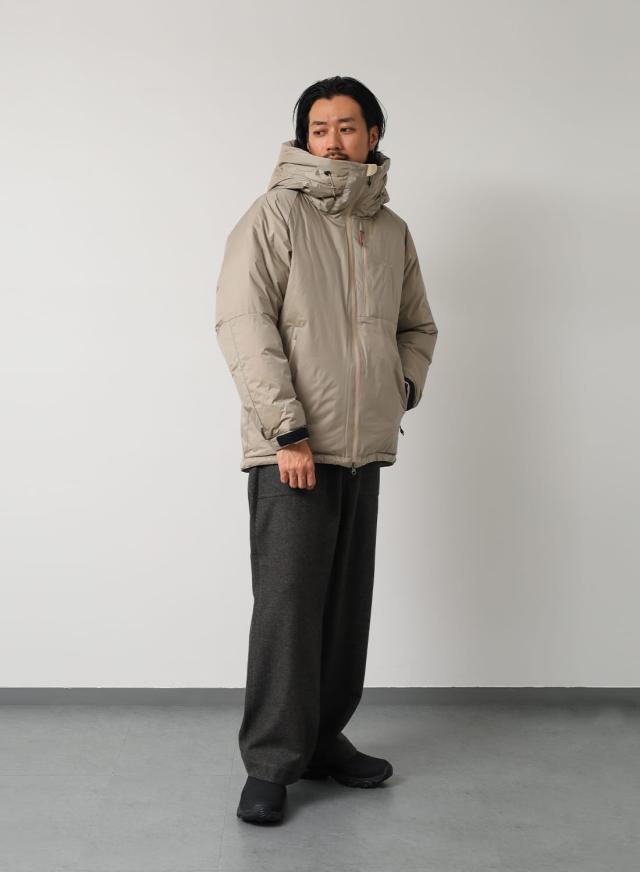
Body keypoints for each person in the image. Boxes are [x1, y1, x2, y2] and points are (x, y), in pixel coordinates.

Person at [215, 75, 438, 825]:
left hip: (362, 449)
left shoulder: (392, 230)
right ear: (303, 138)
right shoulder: (275, 214)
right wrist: (287, 430)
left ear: (372, 136)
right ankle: (270, 764)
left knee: (344, 609)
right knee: (288, 609)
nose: (333, 141)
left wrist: (398, 391)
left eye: (347, 127)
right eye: (319, 128)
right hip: (292, 450)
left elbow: (418, 327)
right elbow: (244, 323)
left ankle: (321, 739)